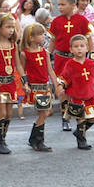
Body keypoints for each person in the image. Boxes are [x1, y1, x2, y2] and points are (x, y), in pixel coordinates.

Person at [49, 0, 93, 131]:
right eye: (58, 5)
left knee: (76, 88)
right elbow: (53, 40)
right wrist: (49, 55)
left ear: (72, 5)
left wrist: (91, 56)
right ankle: (65, 117)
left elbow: (89, 39)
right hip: (61, 59)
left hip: (77, 60)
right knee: (62, 90)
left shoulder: (82, 20)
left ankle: (79, 116)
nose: (60, 7)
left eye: (63, 4)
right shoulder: (56, 21)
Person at [0, 13, 26, 154]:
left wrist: (24, 80)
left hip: (10, 83)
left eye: (13, 27)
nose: (11, 30)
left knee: (9, 114)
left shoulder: (13, 45)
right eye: (8, 27)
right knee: (1, 112)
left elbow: (18, 65)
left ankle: (3, 138)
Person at [55, 35, 94, 150]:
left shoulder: (92, 64)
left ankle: (79, 132)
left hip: (90, 96)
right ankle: (81, 141)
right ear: (71, 49)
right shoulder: (70, 64)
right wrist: (60, 86)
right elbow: (64, 78)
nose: (79, 49)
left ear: (87, 48)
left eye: (82, 46)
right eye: (76, 46)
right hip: (77, 97)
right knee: (81, 118)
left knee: (93, 117)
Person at [20, 23, 57, 152]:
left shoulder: (44, 52)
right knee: (44, 112)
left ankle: (34, 138)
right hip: (35, 87)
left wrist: (56, 86)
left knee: (46, 112)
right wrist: (25, 84)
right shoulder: (25, 54)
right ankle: (39, 140)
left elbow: (50, 70)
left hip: (45, 86)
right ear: (31, 38)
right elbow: (22, 71)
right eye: (40, 34)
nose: (43, 36)